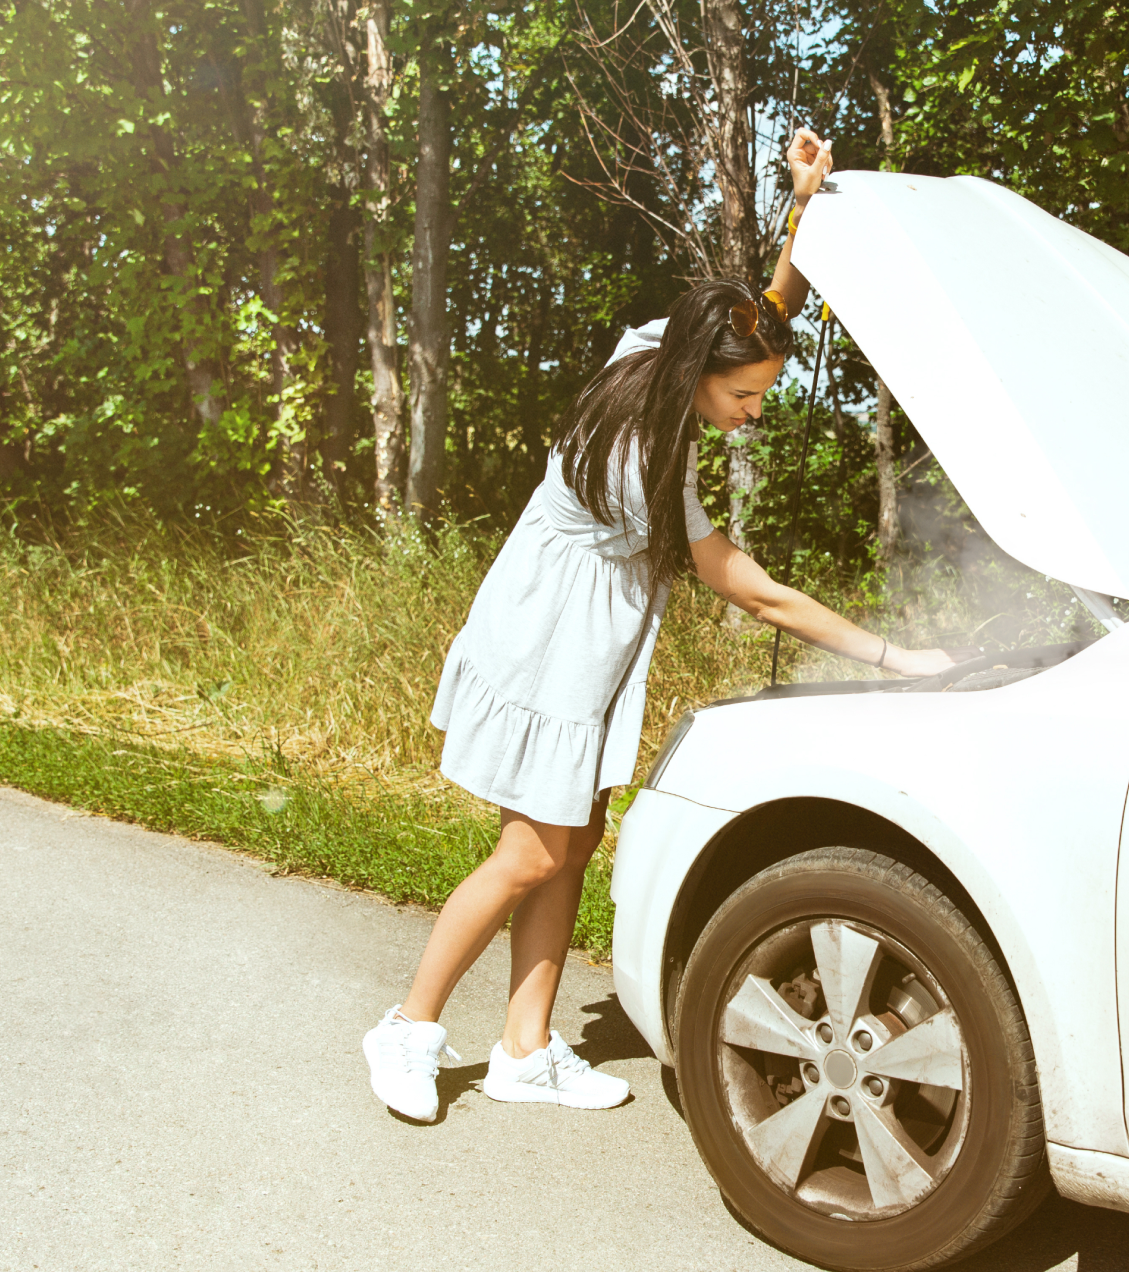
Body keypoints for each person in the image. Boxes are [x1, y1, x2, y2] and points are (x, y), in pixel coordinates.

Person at [362, 127, 957, 1121]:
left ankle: (525, 1048)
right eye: (744, 396)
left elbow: (761, 314)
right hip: (546, 642)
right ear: (696, 379)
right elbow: (755, 590)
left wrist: (804, 206)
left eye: (760, 391)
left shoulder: (664, 351)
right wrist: (893, 656)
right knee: (532, 852)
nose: (755, 409)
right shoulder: (643, 451)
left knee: (573, 837)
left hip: (584, 649)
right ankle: (408, 1029)